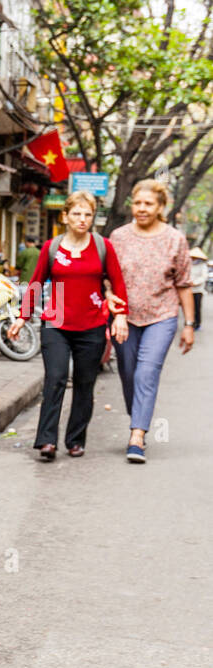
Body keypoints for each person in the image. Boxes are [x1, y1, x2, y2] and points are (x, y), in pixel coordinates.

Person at [9, 191, 127, 461]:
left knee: (85, 384)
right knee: (56, 378)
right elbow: (36, 284)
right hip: (56, 321)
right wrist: (21, 318)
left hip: (92, 324)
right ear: (65, 216)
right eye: (76, 214)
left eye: (87, 214)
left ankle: (75, 439)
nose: (82, 219)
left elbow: (118, 284)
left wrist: (120, 315)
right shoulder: (52, 247)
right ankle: (47, 441)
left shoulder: (103, 246)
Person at [107, 179, 196, 463]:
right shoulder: (118, 237)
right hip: (124, 317)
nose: (142, 209)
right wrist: (110, 299)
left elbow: (183, 284)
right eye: (137, 203)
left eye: (148, 204)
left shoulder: (175, 239)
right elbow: (107, 277)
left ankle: (137, 435)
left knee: (147, 373)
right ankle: (140, 418)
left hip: (162, 315)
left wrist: (189, 325)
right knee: (128, 372)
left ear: (160, 207)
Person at [189, 247, 207, 330]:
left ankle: (198, 323)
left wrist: (195, 283)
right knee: (190, 308)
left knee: (197, 308)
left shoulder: (202, 265)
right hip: (189, 290)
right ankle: (190, 323)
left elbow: (204, 277)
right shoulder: (189, 264)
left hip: (198, 290)